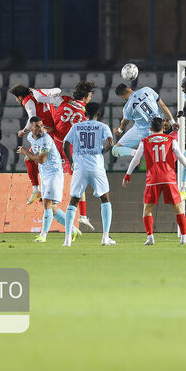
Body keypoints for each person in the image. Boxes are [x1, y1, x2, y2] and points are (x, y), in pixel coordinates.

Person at [123, 117, 186, 246]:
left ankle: (150, 238)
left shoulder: (145, 141)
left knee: (147, 209)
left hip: (153, 179)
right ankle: (184, 238)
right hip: (169, 178)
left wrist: (127, 175)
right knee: (178, 208)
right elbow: (180, 156)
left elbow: (136, 160)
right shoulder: (171, 140)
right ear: (164, 128)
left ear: (150, 129)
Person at [17, 116, 77, 244]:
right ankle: (73, 229)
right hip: (45, 175)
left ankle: (43, 235)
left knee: (46, 202)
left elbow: (42, 159)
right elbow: (35, 149)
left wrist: (26, 152)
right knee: (53, 208)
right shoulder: (30, 137)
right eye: (37, 126)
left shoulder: (46, 140)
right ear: (31, 127)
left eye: (42, 125)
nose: (41, 129)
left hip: (54, 174)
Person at [63, 102, 115, 247]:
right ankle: (105, 237)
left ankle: (67, 239)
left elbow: (65, 144)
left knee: (73, 200)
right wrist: (101, 152)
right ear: (98, 114)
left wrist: (71, 161)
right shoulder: (103, 127)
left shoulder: (76, 127)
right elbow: (111, 143)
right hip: (96, 167)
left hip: (80, 167)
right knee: (105, 199)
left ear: (85, 113)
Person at [52, 80, 97, 230]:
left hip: (54, 142)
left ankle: (38, 188)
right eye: (90, 95)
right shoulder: (85, 112)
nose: (90, 98)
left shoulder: (65, 100)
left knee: (45, 168)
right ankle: (83, 215)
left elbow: (49, 99)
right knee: (80, 181)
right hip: (69, 148)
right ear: (85, 97)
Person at [9, 84, 59, 204]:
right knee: (32, 159)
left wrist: (24, 130)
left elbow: (32, 117)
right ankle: (41, 190)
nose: (17, 101)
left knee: (35, 160)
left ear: (20, 97)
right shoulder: (40, 94)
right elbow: (58, 90)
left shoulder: (27, 100)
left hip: (45, 132)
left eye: (16, 98)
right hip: (51, 129)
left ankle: (40, 190)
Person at [112, 83, 177, 158]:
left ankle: (136, 153)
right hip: (157, 128)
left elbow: (124, 122)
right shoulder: (147, 89)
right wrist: (173, 122)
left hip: (139, 131)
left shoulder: (127, 108)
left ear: (121, 96)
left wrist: (119, 130)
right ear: (129, 87)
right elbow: (163, 106)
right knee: (160, 156)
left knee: (115, 149)